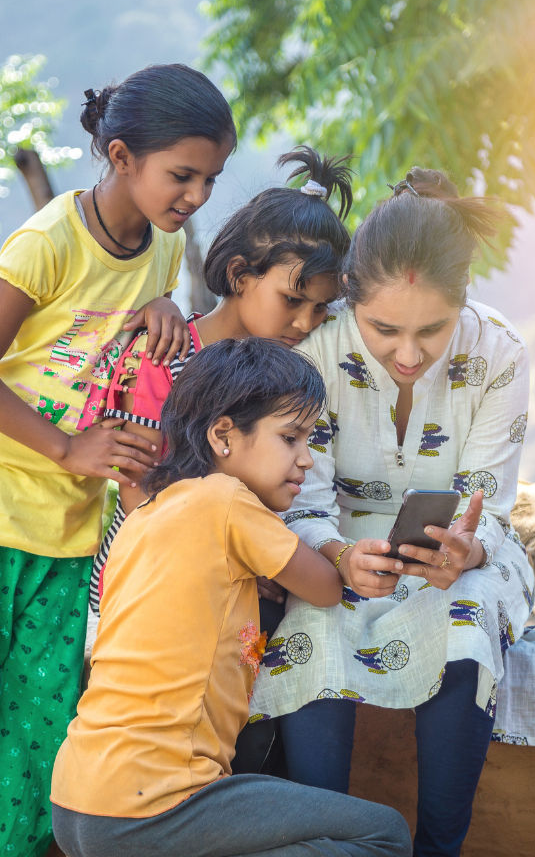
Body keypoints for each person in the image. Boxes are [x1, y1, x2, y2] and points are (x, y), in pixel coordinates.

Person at [0, 63, 236, 857]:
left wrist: (163, 302)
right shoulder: (47, 241)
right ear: (121, 157)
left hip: (69, 525)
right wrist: (68, 449)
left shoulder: (158, 246)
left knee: (41, 711)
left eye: (209, 181)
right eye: (181, 176)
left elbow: (144, 328)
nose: (195, 197)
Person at [48, 338, 412, 857]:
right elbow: (325, 586)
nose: (306, 459)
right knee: (383, 838)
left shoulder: (146, 515)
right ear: (223, 434)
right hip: (156, 801)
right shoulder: (224, 501)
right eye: (291, 437)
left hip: (78, 800)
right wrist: (350, 553)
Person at [248, 169, 535, 857]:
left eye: (432, 332)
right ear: (350, 300)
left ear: (465, 298)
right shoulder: (315, 347)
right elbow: (300, 492)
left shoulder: (501, 351)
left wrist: (466, 548)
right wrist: (339, 553)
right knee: (314, 613)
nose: (407, 354)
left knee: (469, 611)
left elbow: (491, 499)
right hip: (335, 537)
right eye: (382, 330)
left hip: (462, 553)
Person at [88, 145, 352, 615]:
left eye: (319, 310)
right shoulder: (163, 355)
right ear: (239, 274)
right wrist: (240, 555)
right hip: (149, 582)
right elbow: (138, 494)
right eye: (292, 300)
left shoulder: (285, 377)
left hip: (242, 574)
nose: (306, 322)